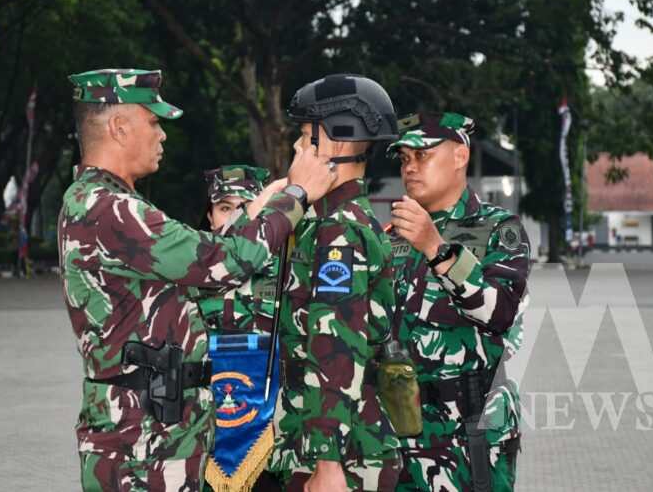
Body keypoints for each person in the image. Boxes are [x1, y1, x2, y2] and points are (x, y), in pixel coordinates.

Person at [58, 68, 336, 491]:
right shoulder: (110, 209)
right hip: (142, 446)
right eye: (153, 122)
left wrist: (257, 211)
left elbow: (199, 254)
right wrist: (296, 195)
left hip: (147, 432)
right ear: (118, 127)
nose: (162, 135)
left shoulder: (99, 202)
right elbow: (223, 262)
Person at [267, 74, 403, 492]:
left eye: (305, 136)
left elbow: (336, 347)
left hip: (341, 453)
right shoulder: (326, 222)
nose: (296, 148)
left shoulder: (339, 230)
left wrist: (327, 462)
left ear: (337, 143)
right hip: (324, 438)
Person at [387, 113, 530, 491]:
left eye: (422, 155)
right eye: (404, 158)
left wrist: (435, 248)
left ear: (460, 156)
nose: (410, 167)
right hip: (398, 429)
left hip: (468, 431)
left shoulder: (499, 228)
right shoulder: (392, 237)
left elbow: (499, 313)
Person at [198, 164, 282, 334]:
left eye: (248, 207)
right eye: (225, 208)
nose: (237, 217)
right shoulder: (189, 268)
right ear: (210, 218)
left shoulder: (286, 269)